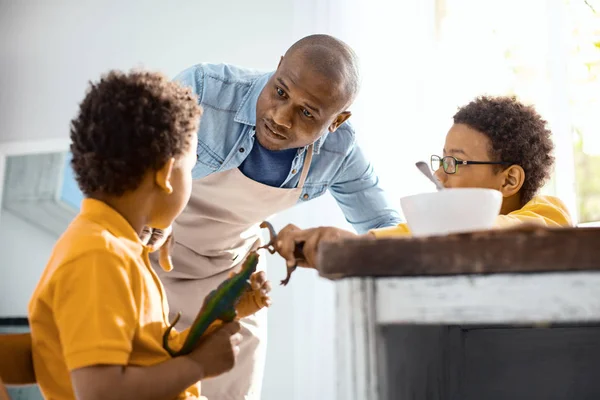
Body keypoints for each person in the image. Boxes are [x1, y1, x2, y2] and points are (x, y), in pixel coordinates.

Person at [142, 34, 402, 399]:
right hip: (149, 260)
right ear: (278, 67)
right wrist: (153, 210)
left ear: (337, 121)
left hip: (231, 282)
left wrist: (340, 246)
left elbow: (387, 227)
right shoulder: (204, 89)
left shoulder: (340, 152)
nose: (281, 118)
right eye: (280, 92)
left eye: (307, 113)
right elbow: (134, 158)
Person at [28, 70, 271, 400]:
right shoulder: (99, 257)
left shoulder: (119, 251)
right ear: (167, 174)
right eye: (192, 165)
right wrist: (199, 366)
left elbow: (152, 359)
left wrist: (224, 312)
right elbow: (102, 392)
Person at [274, 95, 573, 268]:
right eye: (442, 161)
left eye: (455, 162)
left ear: (509, 180)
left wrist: (359, 246)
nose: (440, 175)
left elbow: (463, 233)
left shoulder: (548, 214)